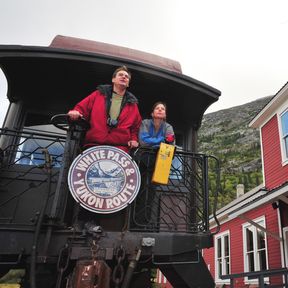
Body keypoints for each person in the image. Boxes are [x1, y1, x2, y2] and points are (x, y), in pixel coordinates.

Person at [68, 66, 142, 153]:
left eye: (126, 77)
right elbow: (81, 108)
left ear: (128, 83)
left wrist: (134, 139)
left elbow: (136, 127)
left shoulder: (133, 104)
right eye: (120, 75)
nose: (124, 77)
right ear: (113, 79)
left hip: (119, 150)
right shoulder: (98, 94)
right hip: (94, 146)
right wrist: (76, 112)